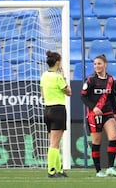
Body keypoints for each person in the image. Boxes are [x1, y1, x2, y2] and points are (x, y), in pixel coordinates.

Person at [81, 54, 116, 177]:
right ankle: (98, 170)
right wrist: (94, 107)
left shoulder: (111, 80)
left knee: (113, 137)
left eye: (99, 63)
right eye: (95, 64)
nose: (97, 66)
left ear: (105, 65)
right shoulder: (91, 80)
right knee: (97, 142)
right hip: (94, 115)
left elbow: (112, 97)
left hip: (108, 113)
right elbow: (83, 96)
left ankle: (110, 167)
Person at [40, 50, 71, 178]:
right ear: (58, 62)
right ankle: (51, 170)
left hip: (47, 109)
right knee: (54, 143)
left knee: (54, 142)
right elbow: (69, 92)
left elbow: (42, 94)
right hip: (58, 109)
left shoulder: (44, 76)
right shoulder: (58, 77)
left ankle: (59, 169)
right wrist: (63, 77)